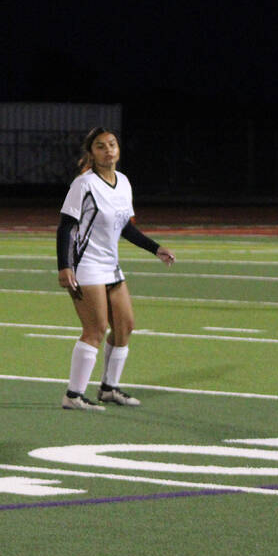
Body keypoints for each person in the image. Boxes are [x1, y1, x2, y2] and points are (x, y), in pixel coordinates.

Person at [56, 127, 174, 410]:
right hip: (86, 266)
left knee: (125, 326)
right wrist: (64, 266)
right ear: (92, 153)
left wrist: (155, 248)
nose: (108, 150)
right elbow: (66, 227)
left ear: (118, 149)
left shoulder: (123, 182)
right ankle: (73, 395)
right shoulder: (83, 184)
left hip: (111, 267)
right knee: (95, 329)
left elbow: (126, 228)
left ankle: (109, 389)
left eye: (112, 144)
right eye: (100, 146)